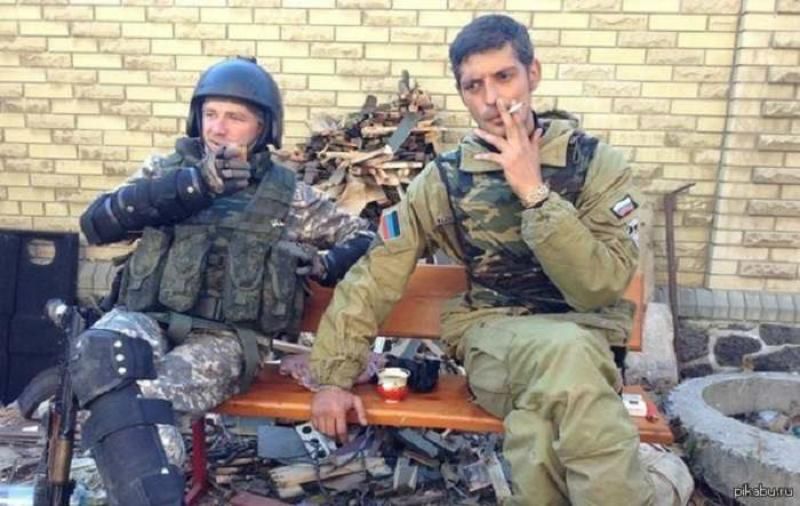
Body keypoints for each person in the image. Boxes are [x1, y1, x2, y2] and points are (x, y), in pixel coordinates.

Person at [308, 15, 693, 506]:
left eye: (504, 77)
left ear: (533, 73)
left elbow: (599, 286)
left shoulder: (596, 165)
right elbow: (376, 274)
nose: (492, 99)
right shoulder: (444, 180)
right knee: (567, 356)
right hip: (495, 342)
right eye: (474, 86)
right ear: (463, 94)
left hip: (587, 347)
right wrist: (333, 377)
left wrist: (534, 192)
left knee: (541, 428)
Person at [72, 56, 374, 505]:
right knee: (98, 354)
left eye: (235, 117)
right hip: (146, 317)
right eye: (210, 113)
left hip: (227, 339)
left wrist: (326, 264)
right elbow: (96, 224)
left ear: (263, 128)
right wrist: (191, 186)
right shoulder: (165, 174)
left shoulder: (286, 195)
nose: (218, 128)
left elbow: (366, 237)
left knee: (147, 402)